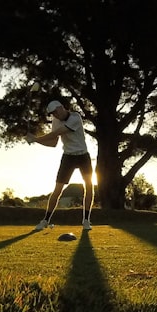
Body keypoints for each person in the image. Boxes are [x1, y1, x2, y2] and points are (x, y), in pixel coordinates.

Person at [26, 99, 94, 231]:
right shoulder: (56, 121)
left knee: (89, 187)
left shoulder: (75, 117)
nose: (55, 115)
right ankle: (45, 220)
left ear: (62, 108)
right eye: (53, 114)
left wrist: (35, 138)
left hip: (82, 156)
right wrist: (36, 141)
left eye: (56, 112)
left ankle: (86, 220)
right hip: (68, 157)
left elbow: (56, 133)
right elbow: (53, 143)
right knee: (57, 190)